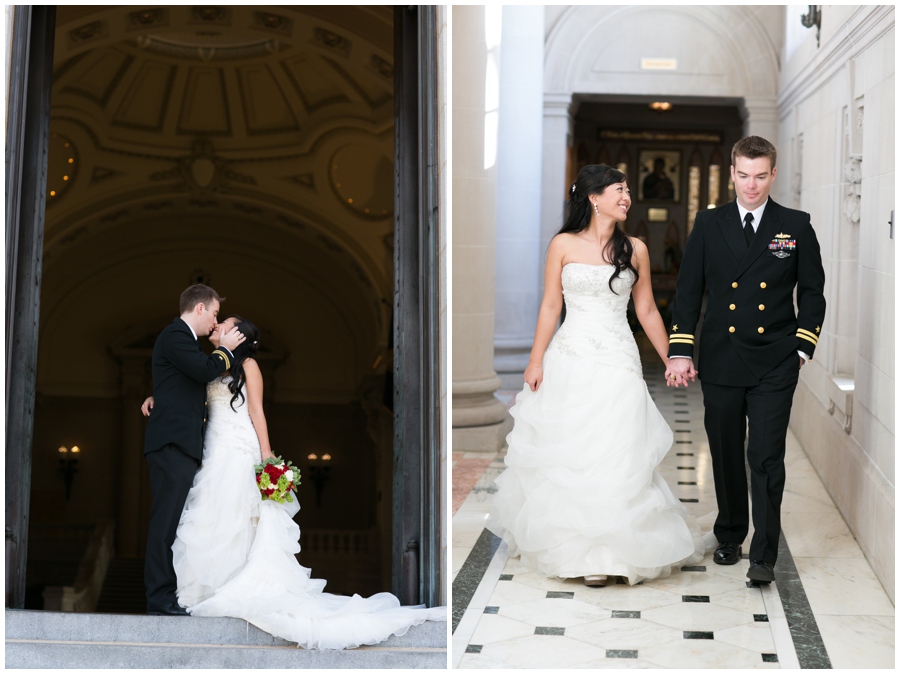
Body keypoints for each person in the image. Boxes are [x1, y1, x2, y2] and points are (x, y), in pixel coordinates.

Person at [142, 315, 444, 649]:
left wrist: (267, 460)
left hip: (239, 451)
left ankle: (230, 589)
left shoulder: (250, 367)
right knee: (210, 517)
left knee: (236, 517)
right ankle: (210, 589)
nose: (216, 326)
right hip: (212, 449)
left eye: (223, 323)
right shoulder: (210, 365)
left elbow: (257, 412)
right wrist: (156, 400)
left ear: (238, 335)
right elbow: (185, 393)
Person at [487, 164, 709, 587]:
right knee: (574, 450)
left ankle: (616, 551)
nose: (627, 197)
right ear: (593, 197)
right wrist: (534, 361)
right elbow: (552, 305)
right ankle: (579, 551)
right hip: (570, 357)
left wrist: (672, 358)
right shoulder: (563, 244)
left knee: (618, 446)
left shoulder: (636, 249)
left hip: (618, 358)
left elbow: (645, 310)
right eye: (619, 190)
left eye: (628, 190)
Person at [665, 135, 826, 584]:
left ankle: (764, 555)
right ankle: (731, 535)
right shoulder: (709, 223)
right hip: (721, 358)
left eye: (759, 176)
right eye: (742, 175)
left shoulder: (795, 225)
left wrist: (801, 349)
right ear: (731, 172)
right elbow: (688, 292)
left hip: (775, 359)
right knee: (725, 452)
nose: (750, 186)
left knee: (766, 456)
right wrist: (681, 349)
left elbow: (812, 294)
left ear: (772, 174)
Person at [143, 284, 246, 616]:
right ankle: (160, 598)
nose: (215, 322)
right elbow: (204, 371)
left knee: (172, 522)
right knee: (166, 523)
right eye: (214, 313)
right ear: (200, 308)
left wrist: (159, 397)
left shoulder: (182, 340)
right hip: (173, 444)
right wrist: (227, 348)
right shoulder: (176, 335)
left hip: (180, 443)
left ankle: (165, 593)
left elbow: (183, 383)